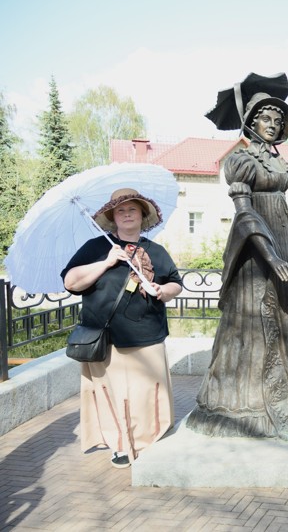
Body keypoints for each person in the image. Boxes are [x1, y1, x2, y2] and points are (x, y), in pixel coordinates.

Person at [186, 92, 288, 440]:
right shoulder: (241, 161)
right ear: (252, 122)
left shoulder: (279, 164)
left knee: (287, 323)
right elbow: (245, 215)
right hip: (255, 254)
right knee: (252, 323)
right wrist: (271, 257)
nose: (273, 125)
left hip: (279, 245)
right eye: (266, 119)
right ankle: (251, 409)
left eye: (278, 122)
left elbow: (277, 213)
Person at [61, 188, 182, 469]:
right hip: (108, 339)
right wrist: (107, 262)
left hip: (148, 337)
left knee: (146, 394)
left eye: (132, 210)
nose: (127, 215)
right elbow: (71, 282)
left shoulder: (155, 251)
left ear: (142, 215)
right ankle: (119, 444)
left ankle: (149, 440)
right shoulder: (96, 247)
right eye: (121, 211)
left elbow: (176, 283)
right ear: (113, 217)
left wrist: (163, 290)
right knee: (113, 394)